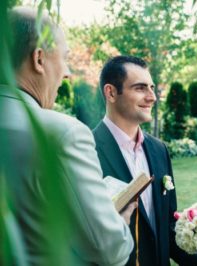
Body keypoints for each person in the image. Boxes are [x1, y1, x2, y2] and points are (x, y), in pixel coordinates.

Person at [0, 7, 135, 265]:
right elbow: (108, 249)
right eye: (64, 58)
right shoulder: (62, 135)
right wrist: (117, 223)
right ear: (39, 59)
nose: (67, 73)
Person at [93, 55, 197, 266]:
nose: (152, 97)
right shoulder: (87, 150)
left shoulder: (159, 150)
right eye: (140, 88)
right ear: (111, 92)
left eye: (152, 88)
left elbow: (168, 226)